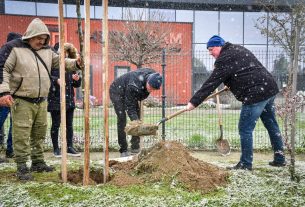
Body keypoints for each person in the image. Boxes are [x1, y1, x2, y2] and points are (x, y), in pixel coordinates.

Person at [186, 35, 286, 170]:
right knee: (271, 124)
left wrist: (194, 102)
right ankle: (280, 159)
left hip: (255, 94)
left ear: (219, 46)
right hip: (269, 88)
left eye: (211, 49)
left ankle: (245, 164)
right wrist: (231, 82)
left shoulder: (224, 59)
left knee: (245, 128)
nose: (210, 53)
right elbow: (247, 69)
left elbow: (211, 83)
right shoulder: (237, 49)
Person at [0, 18, 82, 180]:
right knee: (21, 133)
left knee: (39, 132)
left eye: (44, 38)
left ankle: (38, 162)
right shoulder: (13, 48)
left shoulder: (47, 50)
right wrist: (4, 92)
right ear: (31, 35)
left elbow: (60, 61)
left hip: (41, 99)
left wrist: (76, 63)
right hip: (21, 99)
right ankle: (22, 166)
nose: (42, 41)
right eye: (39, 38)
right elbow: (3, 69)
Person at [109, 68, 162, 157]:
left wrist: (137, 121)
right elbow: (130, 107)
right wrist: (136, 122)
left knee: (137, 118)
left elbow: (136, 98)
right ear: (147, 81)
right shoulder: (133, 86)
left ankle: (135, 146)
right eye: (150, 87)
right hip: (117, 91)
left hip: (132, 93)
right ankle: (123, 149)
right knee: (122, 119)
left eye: (154, 89)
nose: (151, 90)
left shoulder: (154, 76)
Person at [48, 42, 82, 158]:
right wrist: (55, 80)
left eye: (66, 53)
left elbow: (76, 85)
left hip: (69, 101)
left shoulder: (70, 65)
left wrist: (77, 79)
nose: (65, 55)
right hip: (56, 99)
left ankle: (69, 147)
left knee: (69, 125)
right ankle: (56, 148)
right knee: (56, 124)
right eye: (63, 53)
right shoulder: (52, 64)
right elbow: (46, 77)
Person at [0, 32, 22, 159]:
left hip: (15, 96)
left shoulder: (17, 58)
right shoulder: (4, 56)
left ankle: (10, 149)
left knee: (15, 125)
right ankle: (10, 149)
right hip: (4, 96)